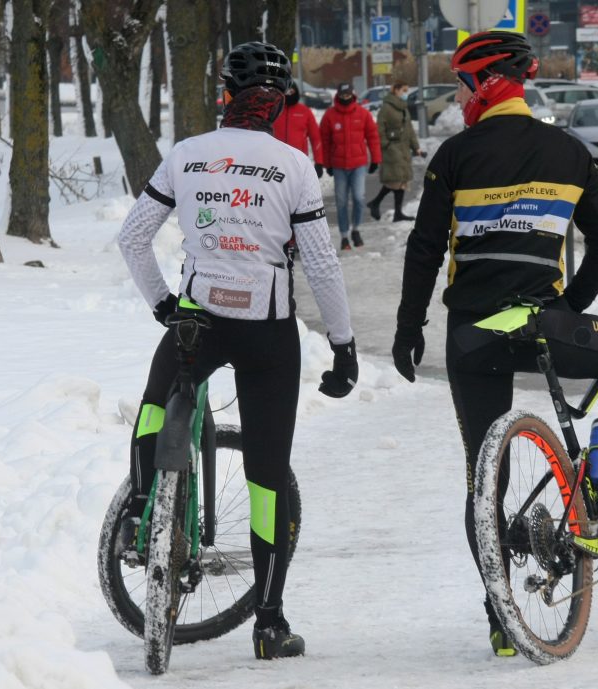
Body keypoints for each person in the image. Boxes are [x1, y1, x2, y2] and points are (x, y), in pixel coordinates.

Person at [390, 31, 598, 657]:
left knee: (482, 478)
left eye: (464, 84)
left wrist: (409, 329)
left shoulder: (455, 155)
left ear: (486, 83)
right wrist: (569, 306)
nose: (461, 97)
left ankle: (502, 617)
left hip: (471, 337)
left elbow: (425, 250)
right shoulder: (569, 153)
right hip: (546, 326)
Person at [117, 41, 358, 661]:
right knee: (267, 475)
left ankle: (141, 510)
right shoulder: (293, 165)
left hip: (197, 320)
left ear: (225, 94)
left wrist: (163, 305)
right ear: (278, 104)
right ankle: (270, 622)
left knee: (154, 406)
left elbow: (134, 237)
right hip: (266, 331)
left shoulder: (187, 156)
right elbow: (324, 268)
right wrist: (343, 345)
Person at [319, 82, 382, 251]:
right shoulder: (329, 116)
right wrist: (327, 164)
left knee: (359, 198)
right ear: (338, 95)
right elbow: (324, 141)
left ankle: (356, 230)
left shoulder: (363, 114)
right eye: (343, 95)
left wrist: (375, 159)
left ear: (352, 95)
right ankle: (344, 236)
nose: (345, 98)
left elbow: (373, 137)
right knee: (341, 201)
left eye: (348, 95)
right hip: (339, 165)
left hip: (358, 164)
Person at [367, 82, 425, 224]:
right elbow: (379, 129)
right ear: (396, 90)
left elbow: (409, 129)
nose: (406, 93)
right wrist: (386, 145)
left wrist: (416, 147)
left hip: (404, 148)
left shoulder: (403, 108)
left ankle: (395, 212)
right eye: (404, 90)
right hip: (392, 149)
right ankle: (376, 203)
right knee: (395, 180)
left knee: (401, 180)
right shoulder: (386, 108)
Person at [273, 81, 325, 178]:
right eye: (286, 92)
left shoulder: (305, 112)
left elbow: (316, 138)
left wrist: (319, 162)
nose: (289, 94)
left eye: (291, 91)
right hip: (276, 161)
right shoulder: (274, 110)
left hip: (299, 161)